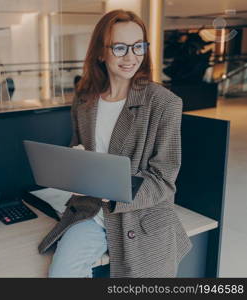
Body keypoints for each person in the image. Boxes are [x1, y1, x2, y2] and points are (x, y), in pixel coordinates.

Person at [38, 9, 192, 278]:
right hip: (92, 212)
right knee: (60, 275)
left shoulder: (164, 103)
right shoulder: (85, 100)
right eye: (120, 47)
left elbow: (164, 179)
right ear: (101, 52)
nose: (131, 57)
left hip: (141, 216)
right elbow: (79, 149)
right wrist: (75, 167)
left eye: (138, 46)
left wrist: (118, 189)